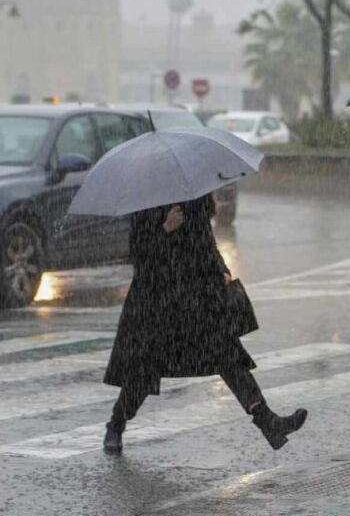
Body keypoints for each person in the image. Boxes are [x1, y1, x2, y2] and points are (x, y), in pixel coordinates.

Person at [102, 194, 307, 454]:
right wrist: (165, 229)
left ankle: (268, 422)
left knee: (228, 358)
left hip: (197, 299)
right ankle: (116, 425)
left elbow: (206, 243)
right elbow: (140, 258)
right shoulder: (147, 200)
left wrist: (221, 268)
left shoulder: (193, 196)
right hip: (157, 303)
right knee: (143, 371)